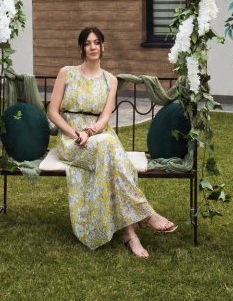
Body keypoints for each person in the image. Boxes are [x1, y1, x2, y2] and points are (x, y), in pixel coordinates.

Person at [47, 26, 178, 258]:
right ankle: (145, 215)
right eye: (87, 43)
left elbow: (104, 118)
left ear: (103, 46)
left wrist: (90, 132)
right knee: (110, 149)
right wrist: (76, 134)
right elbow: (53, 112)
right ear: (81, 48)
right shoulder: (66, 73)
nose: (93, 47)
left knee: (108, 151)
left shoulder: (110, 80)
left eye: (96, 42)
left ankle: (130, 234)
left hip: (99, 135)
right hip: (71, 139)